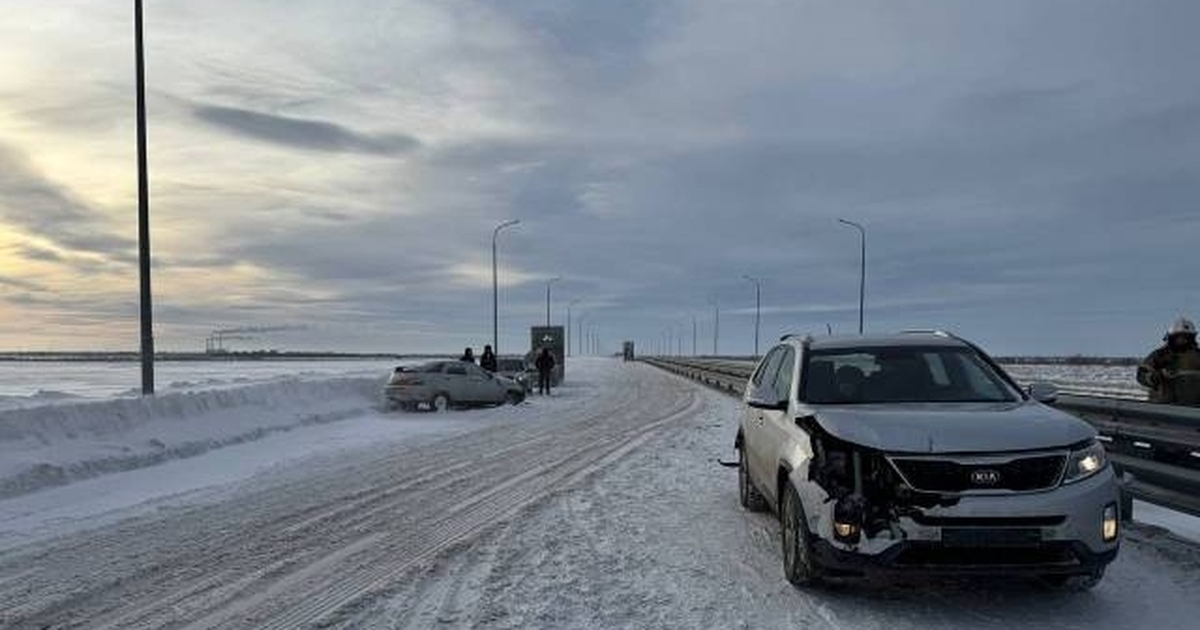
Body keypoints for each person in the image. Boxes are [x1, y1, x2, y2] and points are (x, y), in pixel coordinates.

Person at [1137, 317, 1200, 406]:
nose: (1182, 341)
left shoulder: (1198, 355)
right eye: (1179, 337)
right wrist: (1153, 378)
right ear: (1171, 337)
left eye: (1186, 337)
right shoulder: (1159, 355)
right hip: (1164, 408)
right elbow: (1141, 374)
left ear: (1192, 338)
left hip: (1193, 410)